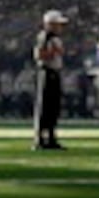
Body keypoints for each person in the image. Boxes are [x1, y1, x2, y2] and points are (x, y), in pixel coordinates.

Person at [31, 10, 72, 151]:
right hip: (47, 72)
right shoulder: (45, 37)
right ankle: (41, 138)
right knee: (44, 106)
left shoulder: (53, 38)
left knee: (53, 107)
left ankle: (51, 136)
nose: (60, 28)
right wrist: (52, 53)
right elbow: (39, 55)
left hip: (54, 72)